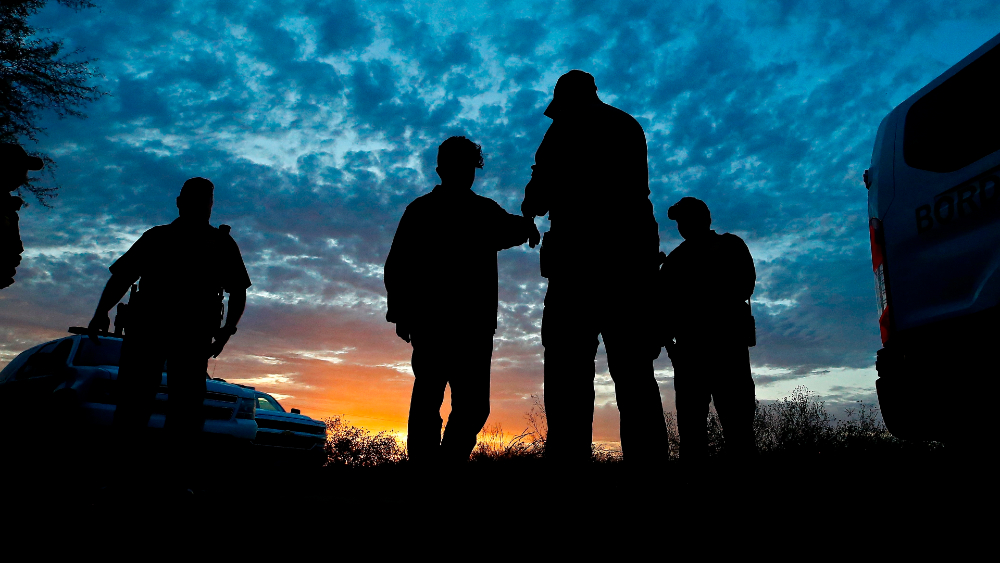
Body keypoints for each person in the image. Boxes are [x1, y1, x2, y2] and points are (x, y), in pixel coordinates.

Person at [520, 70, 668, 466]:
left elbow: (537, 196)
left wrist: (529, 208)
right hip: (629, 271)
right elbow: (641, 199)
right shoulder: (627, 125)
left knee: (569, 380)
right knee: (636, 377)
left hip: (576, 272)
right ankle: (650, 471)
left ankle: (569, 474)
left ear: (564, 99)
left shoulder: (561, 131)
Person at [384, 136, 540, 465]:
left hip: (469, 326)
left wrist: (527, 225)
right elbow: (398, 264)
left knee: (464, 404)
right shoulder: (426, 211)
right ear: (442, 169)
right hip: (441, 323)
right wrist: (400, 312)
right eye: (460, 166)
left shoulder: (480, 211)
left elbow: (511, 228)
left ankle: (439, 467)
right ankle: (434, 469)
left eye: (469, 166)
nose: (465, 172)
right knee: (434, 399)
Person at [87, 177, 251, 485]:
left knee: (186, 409)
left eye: (206, 200)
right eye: (194, 199)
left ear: (211, 205)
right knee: (134, 404)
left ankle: (173, 480)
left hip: (192, 336)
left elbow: (238, 290)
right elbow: (122, 277)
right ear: (179, 202)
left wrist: (227, 329)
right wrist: (100, 312)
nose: (201, 206)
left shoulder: (221, 243)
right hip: (148, 331)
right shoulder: (157, 237)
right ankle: (120, 477)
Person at [659, 197, 756, 463]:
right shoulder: (675, 261)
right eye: (679, 221)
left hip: (727, 349)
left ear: (704, 219)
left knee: (738, 427)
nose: (681, 225)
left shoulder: (730, 246)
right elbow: (663, 310)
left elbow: (744, 285)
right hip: (691, 354)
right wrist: (672, 349)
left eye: (686, 219)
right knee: (692, 433)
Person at [1, 143, 44, 290]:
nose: (23, 176)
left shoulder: (9, 208)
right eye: (18, 169)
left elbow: (15, 247)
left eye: (23, 171)